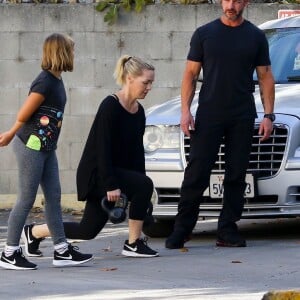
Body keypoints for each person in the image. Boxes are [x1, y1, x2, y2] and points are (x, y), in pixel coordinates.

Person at [21, 55, 159, 258]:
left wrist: (140, 191)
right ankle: (133, 243)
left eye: (151, 83)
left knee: (87, 230)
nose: (149, 87)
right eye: (145, 82)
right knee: (144, 184)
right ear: (129, 78)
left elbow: (137, 152)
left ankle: (33, 232)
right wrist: (112, 184)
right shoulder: (110, 106)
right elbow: (102, 148)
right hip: (97, 175)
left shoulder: (139, 112)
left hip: (115, 175)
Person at [165, 0, 275, 249]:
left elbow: (266, 75)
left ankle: (227, 230)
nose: (231, 5)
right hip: (209, 113)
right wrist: (185, 112)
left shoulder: (255, 36)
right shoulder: (204, 34)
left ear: (245, 2)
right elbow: (190, 74)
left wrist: (269, 115)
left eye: (236, 0)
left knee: (236, 174)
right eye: (226, 0)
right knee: (196, 172)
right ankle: (182, 229)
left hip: (242, 114)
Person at [0, 33, 93, 270]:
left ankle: (61, 250)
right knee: (26, 198)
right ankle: (9, 252)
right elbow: (24, 112)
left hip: (46, 147)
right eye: (72, 50)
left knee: (54, 197)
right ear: (61, 53)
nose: (74, 54)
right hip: (31, 146)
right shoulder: (45, 82)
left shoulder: (56, 80)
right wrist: (10, 134)